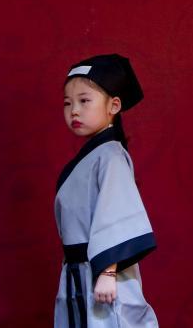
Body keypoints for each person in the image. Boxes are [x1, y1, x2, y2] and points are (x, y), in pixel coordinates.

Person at [55, 54, 158, 327]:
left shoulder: (111, 155)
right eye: (68, 103)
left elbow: (116, 213)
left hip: (102, 272)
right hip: (80, 271)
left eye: (84, 101)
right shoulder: (95, 156)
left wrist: (108, 272)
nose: (74, 110)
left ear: (114, 105)